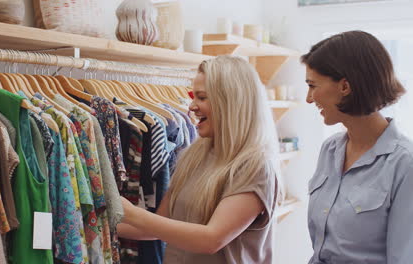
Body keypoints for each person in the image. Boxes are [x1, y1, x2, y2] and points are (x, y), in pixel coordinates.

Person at [118, 55, 282, 264]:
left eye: (202, 98)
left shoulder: (255, 167)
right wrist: (93, 227)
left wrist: (132, 214)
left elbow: (211, 239)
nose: (191, 106)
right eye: (193, 96)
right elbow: (161, 225)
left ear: (230, 101)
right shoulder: (195, 155)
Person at [303, 30, 413, 263]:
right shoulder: (330, 150)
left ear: (345, 86)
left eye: (313, 85)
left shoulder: (405, 164)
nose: (309, 98)